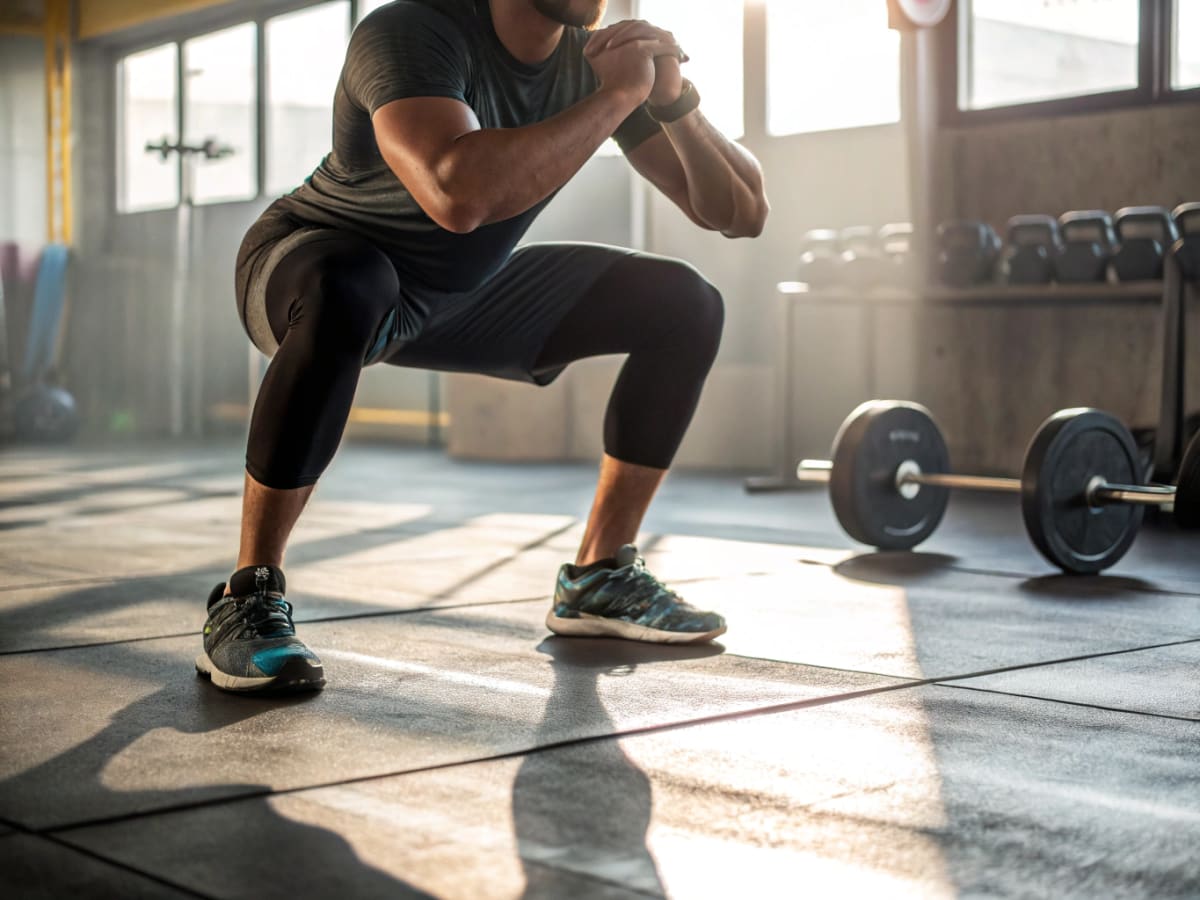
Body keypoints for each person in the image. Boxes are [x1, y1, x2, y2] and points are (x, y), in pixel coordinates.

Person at [197, 0, 770, 693]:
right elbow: (456, 192)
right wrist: (620, 95)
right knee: (353, 282)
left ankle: (599, 575)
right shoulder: (411, 32)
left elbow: (741, 213)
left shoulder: (592, 65)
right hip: (308, 267)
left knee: (684, 304)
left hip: (458, 293)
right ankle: (247, 596)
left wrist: (675, 103)